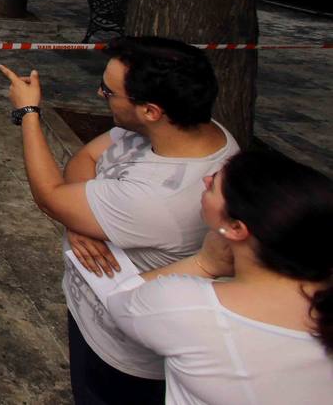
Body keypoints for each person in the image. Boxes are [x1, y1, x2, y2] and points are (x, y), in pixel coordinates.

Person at [0, 36, 240, 405]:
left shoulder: (163, 196)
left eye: (109, 92)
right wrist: (79, 217)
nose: (99, 94)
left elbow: (50, 194)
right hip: (94, 313)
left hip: (118, 352)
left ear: (151, 110)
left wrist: (28, 113)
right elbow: (84, 159)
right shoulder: (188, 131)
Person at [101, 150, 333, 404]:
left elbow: (119, 303)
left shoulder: (185, 304)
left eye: (215, 186)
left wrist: (204, 263)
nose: (206, 180)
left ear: (236, 228)